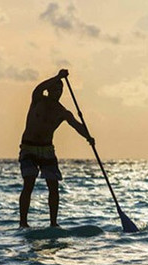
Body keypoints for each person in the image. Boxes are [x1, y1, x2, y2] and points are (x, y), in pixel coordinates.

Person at [18, 69, 95, 228]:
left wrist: (88, 137)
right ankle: (23, 223)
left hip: (47, 150)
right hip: (29, 148)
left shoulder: (62, 111)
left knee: (53, 186)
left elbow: (76, 125)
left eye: (60, 90)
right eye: (54, 90)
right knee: (29, 183)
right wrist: (58, 77)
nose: (57, 93)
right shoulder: (38, 99)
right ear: (49, 90)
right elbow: (39, 87)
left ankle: (53, 223)